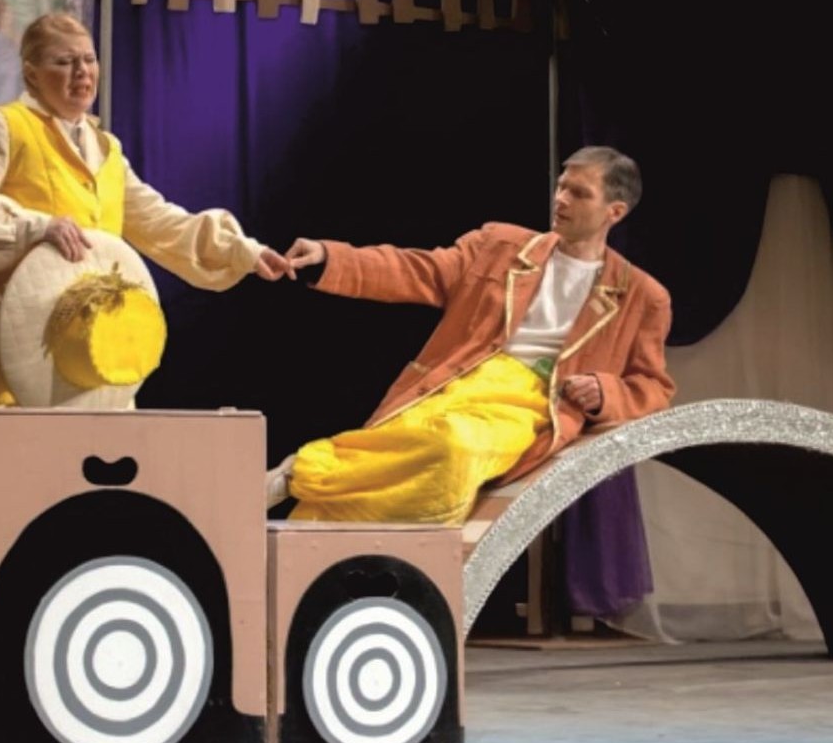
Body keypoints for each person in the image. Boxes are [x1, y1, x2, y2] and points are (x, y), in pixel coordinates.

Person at [0, 12, 290, 408]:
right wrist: (35, 228)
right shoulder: (1, 127)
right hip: (0, 335)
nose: (82, 72)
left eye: (88, 59)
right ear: (32, 73)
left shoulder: (105, 149)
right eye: (64, 62)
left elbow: (159, 222)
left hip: (84, 350)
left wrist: (243, 250)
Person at [268, 146, 675, 525]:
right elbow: (417, 270)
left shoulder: (643, 296)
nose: (561, 200)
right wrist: (330, 259)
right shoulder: (500, 245)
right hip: (461, 380)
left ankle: (301, 472)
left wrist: (606, 392)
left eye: (579, 193)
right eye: (561, 187)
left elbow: (653, 387)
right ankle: (300, 502)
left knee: (453, 449)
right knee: (406, 440)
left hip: (528, 404)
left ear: (614, 212)